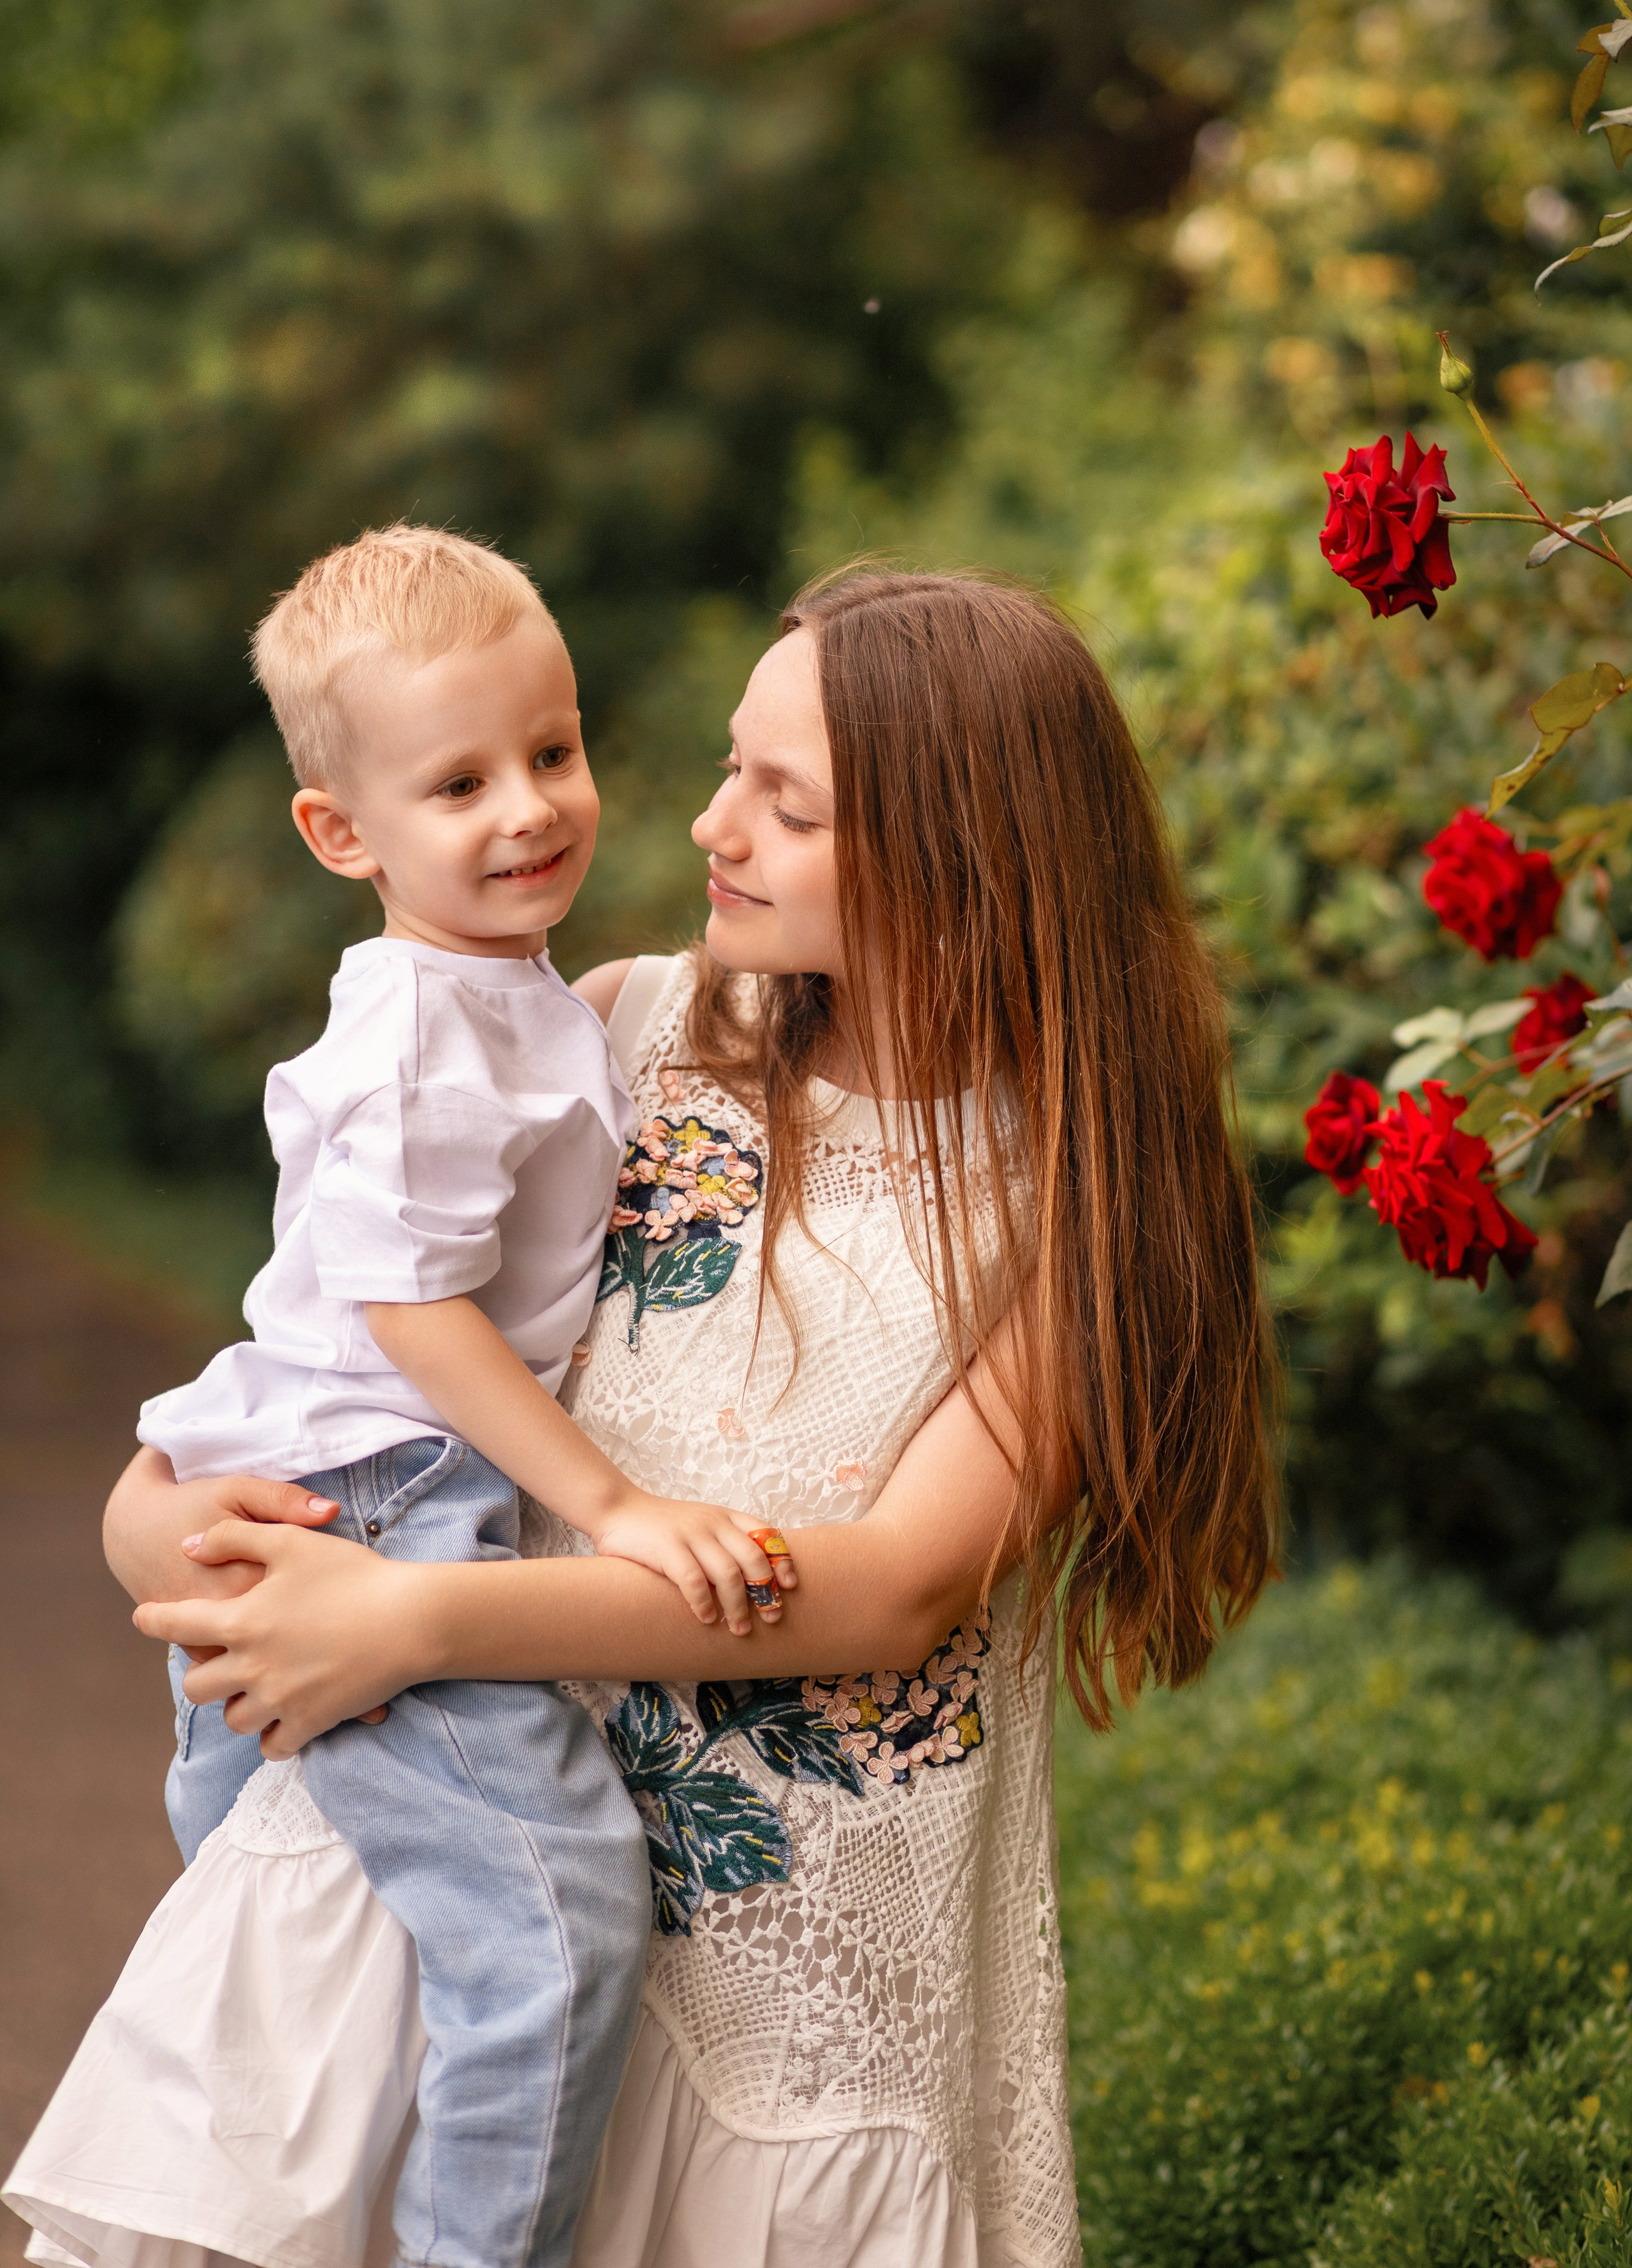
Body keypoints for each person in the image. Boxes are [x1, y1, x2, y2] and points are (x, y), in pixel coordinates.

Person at [75, 568, 1276, 2268]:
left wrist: (417, 1617)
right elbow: (346, 1357)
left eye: (785, 805)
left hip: (804, 1965)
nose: (709, 820)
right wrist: (156, 1522)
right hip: (495, 1910)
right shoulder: (618, 1037)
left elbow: (896, 1592)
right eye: (730, 766)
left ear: (964, 855)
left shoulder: (1078, 1193)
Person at [3, 525, 792, 2268]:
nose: (530, 807)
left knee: (296, 1913)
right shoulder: (421, 1038)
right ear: (343, 834)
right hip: (378, 1488)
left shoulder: (511, 996)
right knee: (556, 1921)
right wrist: (611, 1507)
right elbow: (413, 1318)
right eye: (460, 782)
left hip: (354, 1466)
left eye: (555, 750)